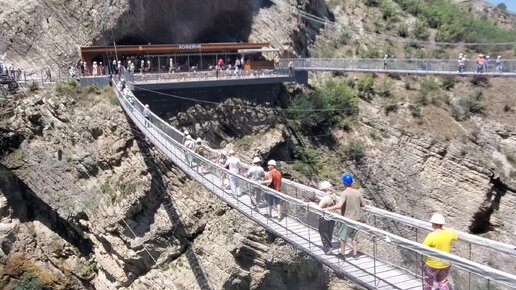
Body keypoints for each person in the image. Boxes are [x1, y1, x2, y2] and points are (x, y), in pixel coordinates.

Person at [325, 173, 365, 259]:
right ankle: (355, 254)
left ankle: (342, 254)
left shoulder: (344, 193)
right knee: (354, 237)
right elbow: (363, 204)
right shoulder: (357, 192)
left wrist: (328, 209)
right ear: (351, 182)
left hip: (347, 218)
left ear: (344, 183)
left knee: (342, 237)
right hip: (356, 218)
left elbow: (339, 205)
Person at [422, 213, 458, 290]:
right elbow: (456, 236)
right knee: (442, 281)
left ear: (433, 224)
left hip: (432, 265)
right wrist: (450, 230)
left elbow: (423, 248)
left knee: (428, 282)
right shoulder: (448, 233)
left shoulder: (431, 235)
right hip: (445, 264)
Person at [316, 181, 337, 255]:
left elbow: (319, 206)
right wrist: (319, 198)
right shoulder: (333, 195)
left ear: (325, 189)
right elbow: (327, 202)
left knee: (322, 231)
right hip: (332, 216)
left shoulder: (326, 198)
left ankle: (327, 248)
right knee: (329, 232)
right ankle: (329, 244)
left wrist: (311, 204)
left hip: (325, 217)